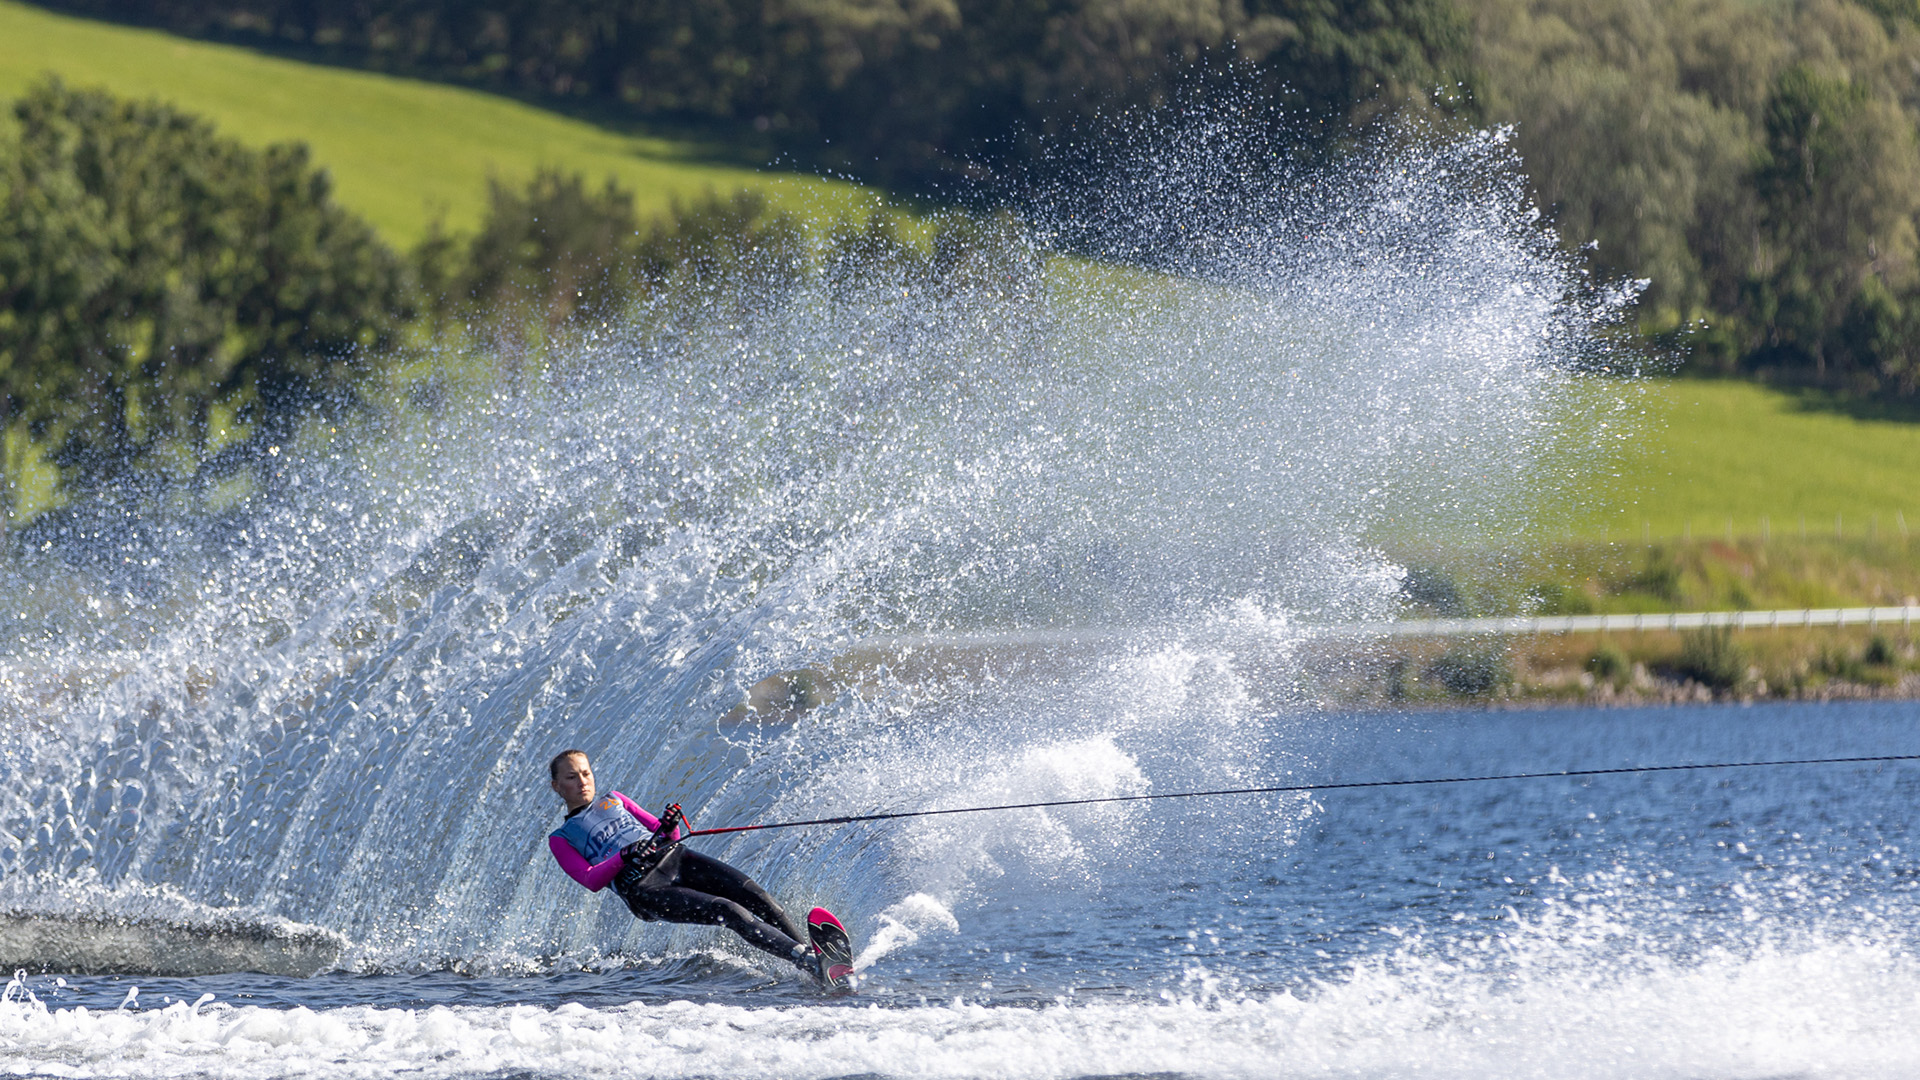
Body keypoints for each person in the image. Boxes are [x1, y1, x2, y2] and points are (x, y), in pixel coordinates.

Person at [546, 748, 827, 980]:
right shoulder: (561, 838)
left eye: (586, 773)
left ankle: (814, 960)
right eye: (572, 777)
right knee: (727, 910)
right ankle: (806, 960)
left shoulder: (616, 800)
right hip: (645, 889)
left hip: (678, 859)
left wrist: (669, 824)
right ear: (557, 787)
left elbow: (669, 836)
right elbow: (590, 880)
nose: (583, 781)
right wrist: (624, 855)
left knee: (755, 894)